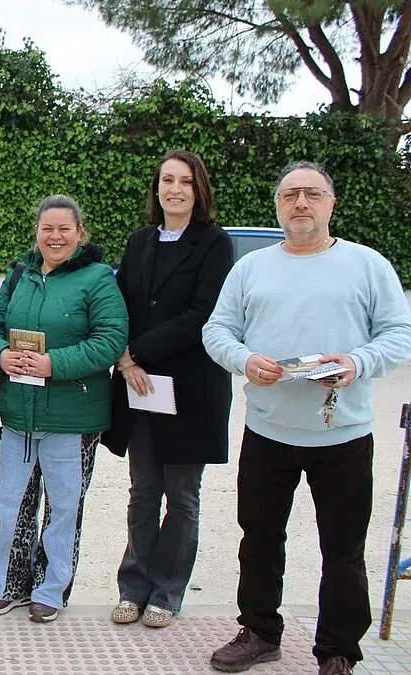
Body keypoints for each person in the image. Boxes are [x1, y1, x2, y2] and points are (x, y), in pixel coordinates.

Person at [203, 161, 411, 675]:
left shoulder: (368, 265)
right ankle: (259, 631)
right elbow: (218, 330)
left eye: (312, 194)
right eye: (291, 194)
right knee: (259, 538)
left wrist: (356, 362)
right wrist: (245, 360)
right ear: (278, 205)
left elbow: (398, 334)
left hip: (342, 433)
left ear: (331, 203)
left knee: (342, 547)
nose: (301, 203)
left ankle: (338, 649)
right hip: (268, 428)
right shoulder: (251, 268)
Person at [0, 195, 127, 622]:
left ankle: (50, 589)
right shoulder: (20, 274)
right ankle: (7, 585)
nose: (55, 236)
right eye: (48, 228)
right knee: (12, 506)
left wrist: (54, 364)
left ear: (80, 234)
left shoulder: (98, 279)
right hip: (20, 416)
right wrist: (1, 356)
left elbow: (110, 339)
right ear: (37, 233)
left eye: (65, 229)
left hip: (72, 418)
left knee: (63, 509)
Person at [101, 150, 234, 628]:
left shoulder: (215, 244)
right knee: (142, 492)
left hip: (192, 389)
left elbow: (204, 314)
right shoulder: (139, 241)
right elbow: (121, 303)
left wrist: (136, 352)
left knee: (181, 496)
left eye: (184, 181)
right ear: (156, 189)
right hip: (139, 386)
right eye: (166, 180)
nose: (174, 189)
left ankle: (167, 591)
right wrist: (121, 354)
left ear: (199, 190)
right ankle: (132, 586)